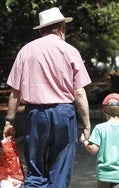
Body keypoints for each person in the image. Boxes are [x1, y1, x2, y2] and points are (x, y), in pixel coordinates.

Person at [3, 7, 92, 187]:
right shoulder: (70, 51)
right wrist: (87, 124)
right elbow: (80, 92)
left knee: (35, 171)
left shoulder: (26, 51)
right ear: (61, 29)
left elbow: (15, 92)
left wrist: (9, 122)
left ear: (41, 29)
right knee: (60, 168)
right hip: (64, 114)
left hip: (35, 115)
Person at [80, 93, 119, 188]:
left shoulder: (99, 128)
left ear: (104, 111)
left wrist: (84, 141)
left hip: (103, 176)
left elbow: (93, 149)